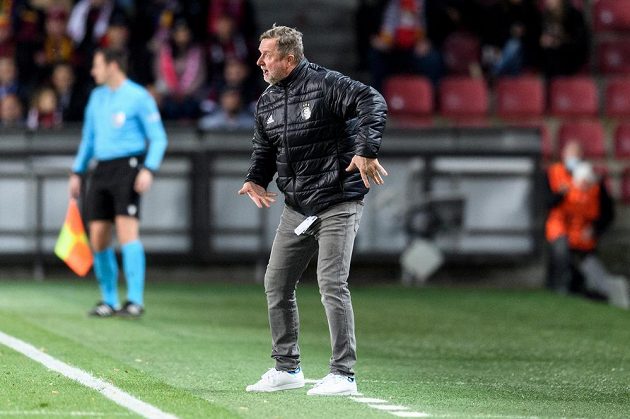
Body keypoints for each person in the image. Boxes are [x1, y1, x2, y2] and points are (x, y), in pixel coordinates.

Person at [239, 25, 388, 396]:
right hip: (297, 208)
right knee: (276, 283)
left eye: (266, 55)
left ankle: (344, 374)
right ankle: (287, 368)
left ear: (289, 59)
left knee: (331, 283)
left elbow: (372, 101)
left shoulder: (326, 84)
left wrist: (367, 149)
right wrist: (256, 178)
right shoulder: (268, 101)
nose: (259, 61)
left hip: (338, 201)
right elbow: (265, 151)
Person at [68, 48, 168, 318]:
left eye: (96, 65)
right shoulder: (97, 97)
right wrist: (77, 171)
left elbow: (158, 138)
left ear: (112, 66)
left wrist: (149, 168)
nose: (93, 71)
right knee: (98, 237)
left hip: (129, 167)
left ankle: (134, 300)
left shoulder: (138, 97)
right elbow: (88, 139)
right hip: (101, 169)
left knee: (127, 233)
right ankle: (108, 300)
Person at [544, 142, 627, 308]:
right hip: (561, 230)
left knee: (590, 267)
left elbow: (607, 214)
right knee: (562, 252)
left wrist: (594, 229)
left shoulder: (595, 188)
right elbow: (546, 204)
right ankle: (561, 290)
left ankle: (603, 290)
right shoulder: (555, 178)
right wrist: (560, 195)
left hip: (584, 237)